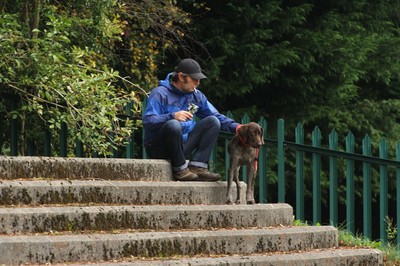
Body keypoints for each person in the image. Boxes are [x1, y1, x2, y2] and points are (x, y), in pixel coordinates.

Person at [143, 58, 240, 181]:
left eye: (199, 79)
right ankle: (180, 170)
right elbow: (148, 121)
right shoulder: (159, 93)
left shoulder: (196, 95)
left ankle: (198, 167)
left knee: (212, 121)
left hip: (182, 145)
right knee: (173, 124)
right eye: (194, 79)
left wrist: (237, 127)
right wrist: (172, 116)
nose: (198, 82)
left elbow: (216, 115)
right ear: (181, 77)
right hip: (159, 148)